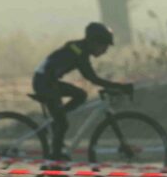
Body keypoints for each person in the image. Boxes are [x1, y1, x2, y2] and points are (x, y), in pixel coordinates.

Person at [33, 22, 134, 162]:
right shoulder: (78, 51)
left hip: (47, 80)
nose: (105, 50)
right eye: (104, 46)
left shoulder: (80, 49)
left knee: (80, 95)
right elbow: (92, 78)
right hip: (44, 82)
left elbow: (91, 77)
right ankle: (55, 160)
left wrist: (116, 86)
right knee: (62, 123)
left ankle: (56, 123)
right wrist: (119, 86)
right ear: (94, 42)